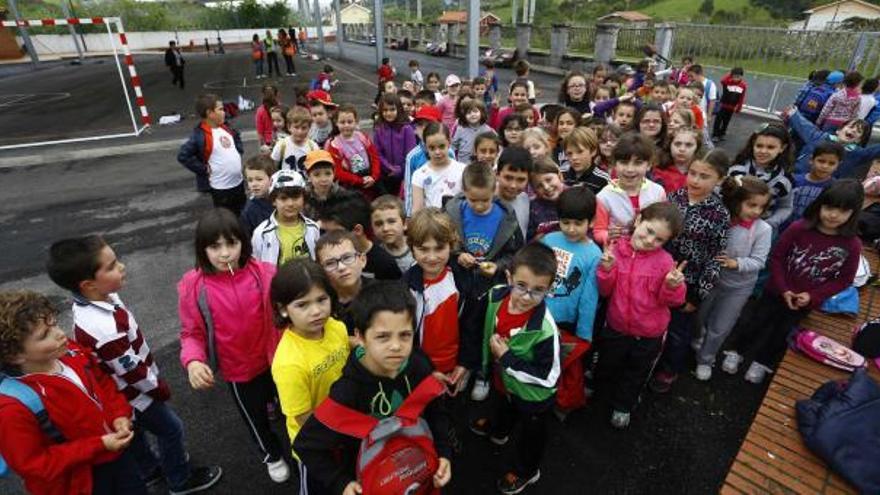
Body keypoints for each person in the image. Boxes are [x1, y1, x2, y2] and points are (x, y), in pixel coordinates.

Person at [46, 236, 223, 493]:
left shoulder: (101, 299)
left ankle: (150, 470)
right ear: (88, 285)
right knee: (171, 429)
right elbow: (131, 371)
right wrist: (157, 388)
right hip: (136, 394)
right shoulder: (104, 329)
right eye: (111, 266)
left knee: (135, 433)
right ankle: (179, 479)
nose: (122, 267)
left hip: (124, 395)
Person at [293, 281, 453, 495]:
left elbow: (436, 410)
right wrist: (341, 483)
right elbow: (307, 445)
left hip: (417, 470)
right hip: (369, 480)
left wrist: (444, 453)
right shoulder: (347, 392)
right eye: (382, 337)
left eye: (405, 335)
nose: (396, 346)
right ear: (359, 337)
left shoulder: (418, 364)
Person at [177, 208, 290, 483]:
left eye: (231, 243)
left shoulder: (266, 273)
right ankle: (271, 454)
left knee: (291, 408)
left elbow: (287, 310)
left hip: (278, 360)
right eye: (215, 246)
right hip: (238, 370)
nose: (225, 253)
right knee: (255, 419)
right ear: (202, 249)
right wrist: (193, 361)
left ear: (244, 242)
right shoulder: (193, 286)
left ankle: (302, 446)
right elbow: (191, 332)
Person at [0, 291, 148, 495]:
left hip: (116, 455)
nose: (60, 333)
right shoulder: (12, 408)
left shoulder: (70, 351)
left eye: (54, 323)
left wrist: (119, 415)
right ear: (15, 355)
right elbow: (35, 464)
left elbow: (102, 382)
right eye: (44, 335)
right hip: (80, 483)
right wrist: (99, 445)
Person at [722, 180, 863, 384]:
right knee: (756, 321)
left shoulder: (852, 244)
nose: (833, 215)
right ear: (820, 204)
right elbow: (777, 257)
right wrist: (783, 288)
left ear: (853, 213)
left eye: (843, 211)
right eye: (830, 207)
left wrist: (813, 296)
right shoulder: (800, 228)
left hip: (805, 300)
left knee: (783, 331)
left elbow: (844, 279)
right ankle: (735, 350)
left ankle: (762, 362)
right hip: (775, 290)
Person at [470, 243, 561, 494]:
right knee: (503, 406)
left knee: (532, 438)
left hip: (534, 398)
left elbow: (549, 378)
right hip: (505, 381)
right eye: (521, 286)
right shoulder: (496, 295)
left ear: (548, 290)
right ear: (509, 277)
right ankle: (499, 430)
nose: (526, 297)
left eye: (538, 291)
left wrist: (507, 358)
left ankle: (527, 471)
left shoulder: (545, 330)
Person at [596, 202, 686, 428]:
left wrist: (672, 286)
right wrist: (606, 270)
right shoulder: (615, 249)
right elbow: (605, 291)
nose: (649, 241)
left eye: (659, 240)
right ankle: (599, 391)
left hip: (649, 333)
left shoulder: (665, 261)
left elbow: (672, 301)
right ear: (638, 221)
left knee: (637, 371)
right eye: (649, 231)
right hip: (616, 326)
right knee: (608, 362)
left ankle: (623, 405)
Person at [650, 150, 731, 393]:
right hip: (659, 276)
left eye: (704, 176)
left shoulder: (719, 214)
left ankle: (669, 368)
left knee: (678, 330)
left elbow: (716, 258)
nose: (695, 180)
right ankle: (652, 359)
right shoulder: (674, 199)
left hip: (689, 284)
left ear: (720, 179)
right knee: (655, 322)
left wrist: (697, 294)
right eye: (693, 173)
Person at [269, 259, 349, 494]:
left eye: (321, 300)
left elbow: (348, 347)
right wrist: (344, 429)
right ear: (283, 309)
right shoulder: (288, 364)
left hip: (345, 428)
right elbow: (304, 418)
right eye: (302, 305)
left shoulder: (335, 326)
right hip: (316, 446)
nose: (316, 311)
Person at [693, 176, 771, 381]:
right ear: (737, 201)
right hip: (711, 279)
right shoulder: (721, 219)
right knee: (698, 315)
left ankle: (706, 359)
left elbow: (759, 261)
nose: (756, 211)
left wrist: (735, 263)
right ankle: (698, 337)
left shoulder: (763, 229)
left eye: (761, 207)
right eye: (751, 205)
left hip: (739, 287)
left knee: (721, 326)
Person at [446, 162, 524, 287]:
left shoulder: (507, 218)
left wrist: (498, 266)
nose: (479, 205)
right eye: (473, 200)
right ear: (464, 192)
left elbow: (515, 254)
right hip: (458, 283)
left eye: (485, 200)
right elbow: (443, 245)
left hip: (491, 287)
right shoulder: (452, 213)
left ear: (494, 191)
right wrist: (458, 256)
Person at [541, 187, 601, 344]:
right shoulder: (548, 240)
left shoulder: (594, 255)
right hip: (538, 312)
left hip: (566, 323)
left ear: (592, 221)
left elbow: (589, 298)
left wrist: (584, 333)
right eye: (565, 222)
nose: (571, 229)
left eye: (578, 223)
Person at [177, 94, 246, 216]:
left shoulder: (226, 128)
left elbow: (236, 137)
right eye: (220, 109)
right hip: (221, 189)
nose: (224, 112)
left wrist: (238, 151)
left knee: (243, 214)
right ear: (210, 113)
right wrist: (203, 169)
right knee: (227, 219)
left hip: (238, 183)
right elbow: (183, 156)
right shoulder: (200, 135)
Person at [593, 132, 666, 246]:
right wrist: (608, 236)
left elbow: (663, 225)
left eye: (638, 163)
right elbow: (598, 231)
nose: (630, 169)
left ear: (649, 165)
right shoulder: (604, 197)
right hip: (618, 256)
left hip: (649, 252)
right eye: (624, 162)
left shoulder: (658, 192)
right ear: (614, 164)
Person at [728, 123, 795, 232]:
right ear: (753, 144)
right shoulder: (736, 170)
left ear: (782, 148)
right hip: (730, 223)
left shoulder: (785, 180)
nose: (763, 151)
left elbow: (785, 207)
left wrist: (770, 223)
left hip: (760, 229)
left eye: (770, 147)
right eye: (759, 146)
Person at [320, 196, 403, 281]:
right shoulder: (328, 259)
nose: (328, 238)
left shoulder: (384, 263)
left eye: (336, 233)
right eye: (323, 232)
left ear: (357, 230)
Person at [784, 106, 879, 179]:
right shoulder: (819, 137)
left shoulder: (856, 153)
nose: (853, 130)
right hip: (798, 177)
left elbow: (874, 150)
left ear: (858, 140)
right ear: (838, 130)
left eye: (858, 131)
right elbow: (804, 126)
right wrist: (793, 113)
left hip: (825, 189)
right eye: (851, 127)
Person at [314, 230, 372, 333]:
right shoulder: (320, 306)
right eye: (330, 263)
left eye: (347, 258)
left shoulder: (381, 294)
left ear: (362, 260)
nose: (341, 267)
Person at [325, 104, 382, 200]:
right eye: (342, 122)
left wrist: (374, 176)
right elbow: (338, 172)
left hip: (370, 177)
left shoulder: (362, 137)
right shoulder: (335, 145)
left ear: (356, 122)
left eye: (350, 122)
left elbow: (374, 157)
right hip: (352, 183)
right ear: (336, 123)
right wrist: (360, 181)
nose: (346, 125)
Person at [786, 141, 845, 229]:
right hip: (785, 228)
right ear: (811, 160)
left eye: (831, 163)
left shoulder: (835, 188)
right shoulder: (793, 180)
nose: (825, 166)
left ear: (838, 165)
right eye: (821, 161)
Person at [411, 122, 467, 213]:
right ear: (425, 147)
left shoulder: (463, 170)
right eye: (432, 148)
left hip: (457, 223)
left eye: (441, 146)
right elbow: (417, 210)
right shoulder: (419, 175)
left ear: (449, 142)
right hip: (432, 224)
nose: (437, 152)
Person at [374, 93, 417, 196]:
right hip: (385, 174)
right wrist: (388, 167)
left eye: (392, 109)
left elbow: (411, 155)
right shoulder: (379, 129)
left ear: (398, 109)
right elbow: (377, 152)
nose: (388, 113)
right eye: (385, 110)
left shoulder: (407, 129)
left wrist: (400, 169)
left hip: (404, 175)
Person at [302, 149, 356, 221]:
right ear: (308, 176)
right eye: (317, 175)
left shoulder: (343, 196)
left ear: (334, 173)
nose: (324, 179)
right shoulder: (303, 197)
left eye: (328, 173)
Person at [371, 195, 415, 273]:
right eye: (378, 224)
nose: (385, 228)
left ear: (405, 224)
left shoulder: (418, 247)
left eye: (391, 221)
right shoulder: (375, 256)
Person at [653, 126, 703, 195]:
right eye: (677, 144)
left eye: (689, 145)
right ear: (670, 145)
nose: (682, 149)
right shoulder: (657, 170)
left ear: (697, 148)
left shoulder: (703, 172)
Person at [271, 106, 320, 174]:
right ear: (289, 127)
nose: (300, 131)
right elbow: (273, 168)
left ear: (309, 128)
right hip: (287, 183)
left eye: (304, 128)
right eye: (296, 127)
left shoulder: (313, 146)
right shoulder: (281, 145)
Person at [496, 146, 532, 238]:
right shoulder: (483, 201)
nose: (513, 185)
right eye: (508, 178)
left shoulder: (525, 200)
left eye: (521, 180)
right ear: (497, 174)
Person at [528, 158, 566, 240]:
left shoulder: (578, 196)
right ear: (534, 190)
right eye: (539, 186)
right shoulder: (533, 209)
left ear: (560, 176)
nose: (546, 187)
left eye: (549, 180)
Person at [240, 155, 277, 238]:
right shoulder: (249, 210)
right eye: (250, 180)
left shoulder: (281, 199)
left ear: (272, 179)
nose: (254, 184)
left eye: (259, 179)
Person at [562, 127, 607, 194]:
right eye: (569, 153)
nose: (574, 157)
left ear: (593, 151)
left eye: (580, 152)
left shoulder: (603, 179)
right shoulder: (561, 174)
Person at [452, 99, 494, 164]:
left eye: (475, 111)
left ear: (482, 113)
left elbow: (496, 144)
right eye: (469, 113)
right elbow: (453, 145)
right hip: (463, 164)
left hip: (481, 164)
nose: (472, 114)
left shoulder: (487, 130)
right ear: (464, 115)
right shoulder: (461, 129)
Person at [712, 67, 747, 142]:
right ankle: (715, 134)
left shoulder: (743, 85)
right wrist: (730, 74)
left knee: (726, 121)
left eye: (738, 77)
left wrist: (739, 107)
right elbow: (722, 80)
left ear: (741, 76)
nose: (736, 79)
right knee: (718, 120)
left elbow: (742, 97)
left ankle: (722, 133)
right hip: (723, 105)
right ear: (732, 76)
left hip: (731, 107)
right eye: (734, 76)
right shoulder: (727, 82)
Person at [550, 108, 581, 172]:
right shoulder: (553, 149)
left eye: (569, 123)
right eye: (561, 123)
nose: (564, 127)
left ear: (577, 126)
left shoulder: (583, 148)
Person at [256, 83, 280, 149]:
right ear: (276, 94)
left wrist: (262, 145)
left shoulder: (260, 111)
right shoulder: (280, 108)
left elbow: (260, 131)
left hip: (267, 142)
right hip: (279, 140)